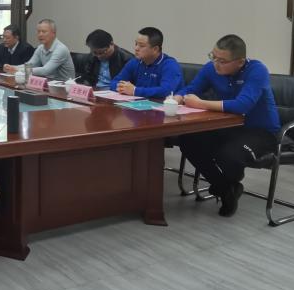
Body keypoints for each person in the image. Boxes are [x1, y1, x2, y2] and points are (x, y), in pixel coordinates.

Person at [171, 34, 281, 217]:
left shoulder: (257, 70)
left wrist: (201, 104)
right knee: (188, 140)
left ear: (240, 62)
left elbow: (242, 105)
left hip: (261, 131)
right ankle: (226, 188)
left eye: (222, 61)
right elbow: (191, 89)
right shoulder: (211, 68)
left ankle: (226, 187)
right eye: (213, 57)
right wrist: (178, 97)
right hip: (229, 127)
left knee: (229, 155)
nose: (216, 63)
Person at [110, 26, 183, 99]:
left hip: (162, 105)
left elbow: (166, 91)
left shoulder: (170, 65)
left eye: (141, 46)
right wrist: (122, 87)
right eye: (136, 44)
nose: (136, 48)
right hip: (139, 103)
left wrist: (135, 91)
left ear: (155, 49)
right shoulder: (134, 62)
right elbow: (114, 82)